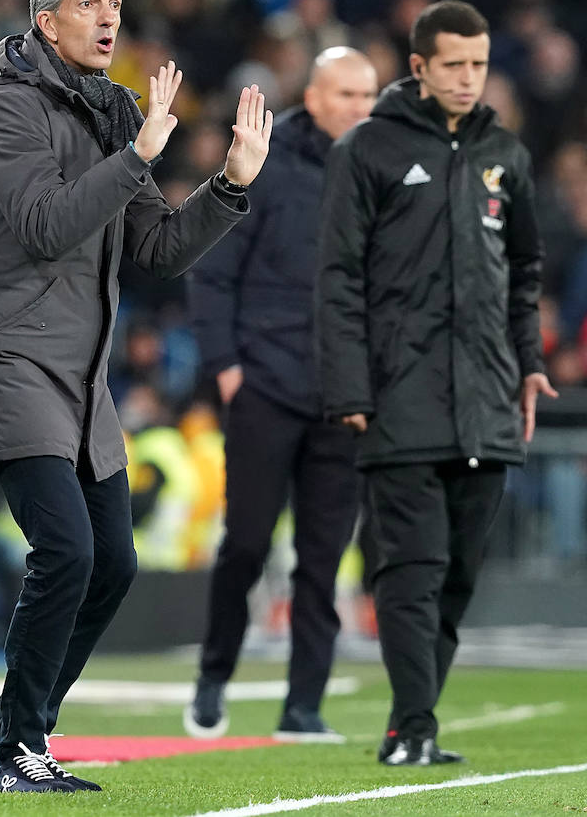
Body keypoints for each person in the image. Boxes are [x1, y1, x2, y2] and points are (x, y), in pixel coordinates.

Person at [0, 0, 272, 793]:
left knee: (114, 564)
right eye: (88, 2)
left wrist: (228, 186)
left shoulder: (111, 108)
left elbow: (154, 249)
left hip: (79, 367)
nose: (107, 18)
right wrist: (139, 154)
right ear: (46, 20)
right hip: (8, 352)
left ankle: (11, 731)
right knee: (65, 550)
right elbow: (43, 225)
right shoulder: (2, 104)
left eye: (116, 3)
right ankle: (19, 747)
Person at [316, 0, 556, 767]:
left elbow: (525, 273)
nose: (467, 78)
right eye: (454, 64)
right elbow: (338, 278)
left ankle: (409, 724)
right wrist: (349, 389)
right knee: (412, 569)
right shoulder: (367, 150)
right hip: (400, 395)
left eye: (478, 65)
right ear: (419, 67)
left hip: (487, 398)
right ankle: (414, 726)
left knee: (457, 576)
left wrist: (531, 364)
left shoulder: (504, 154)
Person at [184, 46, 378, 742]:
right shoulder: (262, 157)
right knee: (245, 544)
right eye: (349, 94)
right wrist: (225, 366)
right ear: (315, 97)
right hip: (265, 384)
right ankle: (213, 675)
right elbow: (212, 267)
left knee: (323, 560)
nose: (362, 107)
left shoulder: (382, 170)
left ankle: (304, 706)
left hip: (343, 395)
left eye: (369, 95)